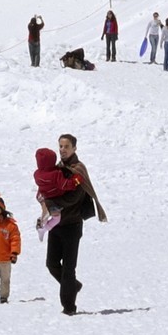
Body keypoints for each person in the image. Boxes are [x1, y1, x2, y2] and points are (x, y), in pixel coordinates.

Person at [37, 134, 105, 315]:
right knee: (51, 264)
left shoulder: (78, 170)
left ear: (74, 148)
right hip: (56, 225)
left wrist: (50, 202)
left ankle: (68, 307)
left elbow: (73, 198)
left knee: (68, 269)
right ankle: (73, 286)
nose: (62, 150)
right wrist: (43, 198)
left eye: (66, 146)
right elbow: (44, 189)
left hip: (72, 225)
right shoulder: (56, 169)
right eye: (60, 146)